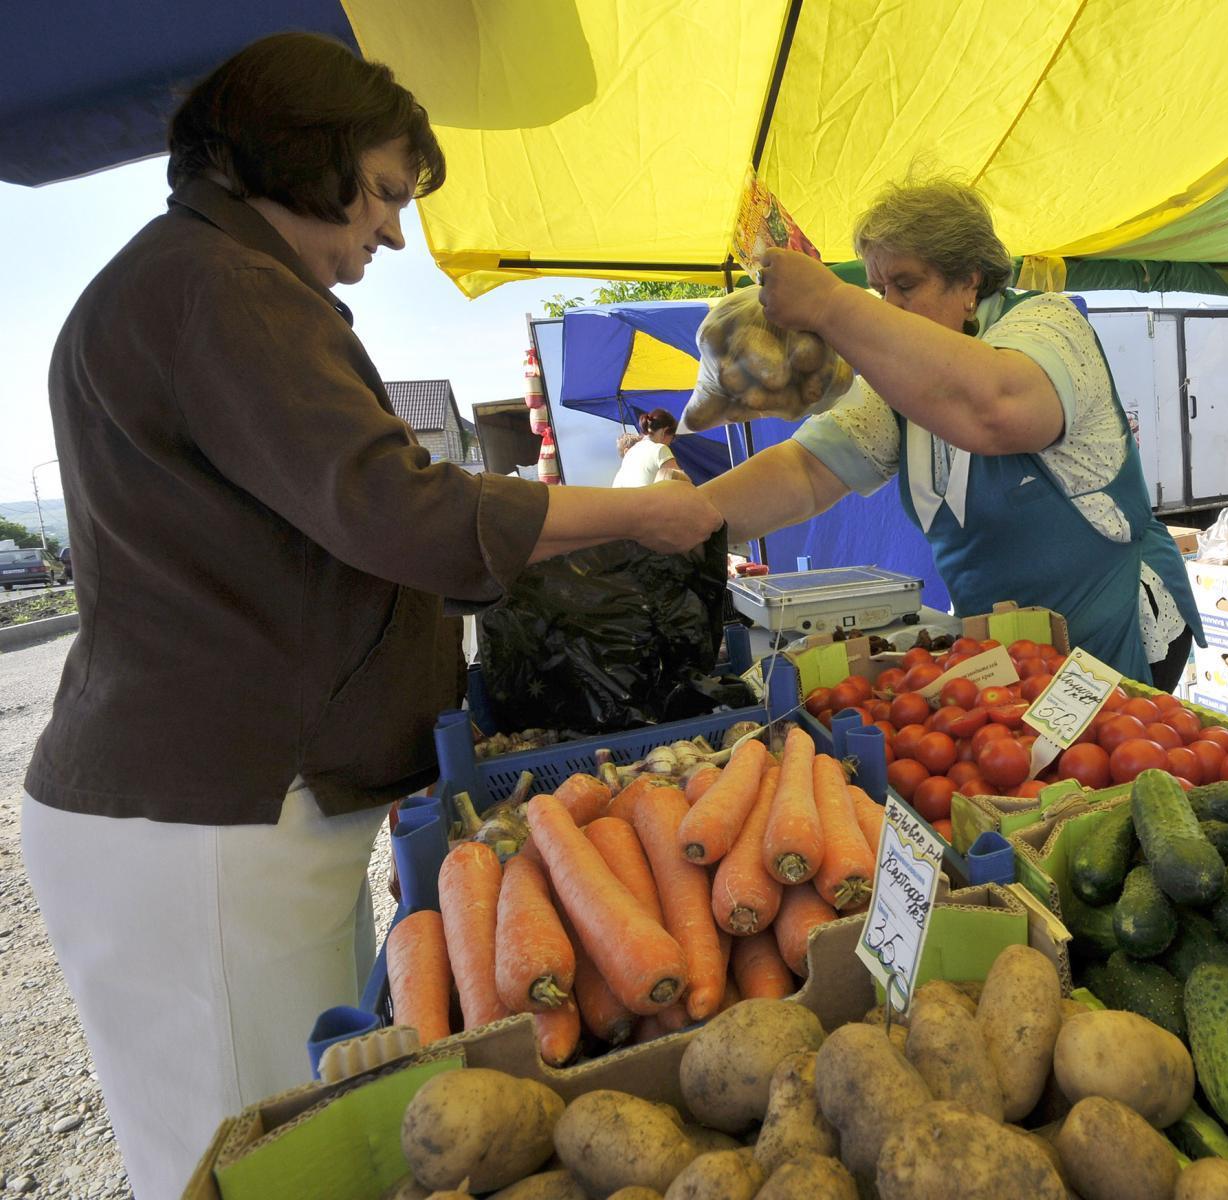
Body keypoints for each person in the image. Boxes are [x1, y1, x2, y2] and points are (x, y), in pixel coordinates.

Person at [20, 33, 721, 1199]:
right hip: (213, 816)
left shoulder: (195, 279)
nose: (391, 232)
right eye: (385, 193)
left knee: (285, 1135)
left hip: (219, 811)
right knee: (263, 1163)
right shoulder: (220, 285)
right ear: (302, 155)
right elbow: (395, 511)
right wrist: (638, 518)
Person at [701, 180, 1202, 687]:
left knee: (1113, 759)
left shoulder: (1046, 324)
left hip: (1115, 622)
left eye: (907, 285)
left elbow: (997, 407)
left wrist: (832, 304)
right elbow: (808, 471)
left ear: (969, 281)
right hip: (1015, 653)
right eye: (880, 290)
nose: (888, 306)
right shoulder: (900, 377)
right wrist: (688, 521)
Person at [611, 408, 686, 487]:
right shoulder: (660, 449)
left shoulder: (630, 453)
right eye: (672, 438)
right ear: (664, 431)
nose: (670, 444)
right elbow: (682, 485)